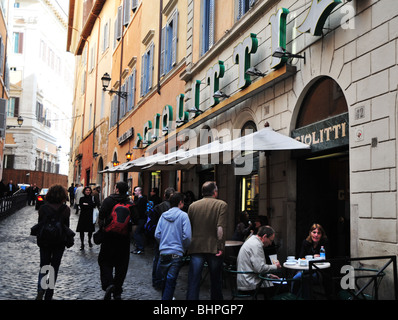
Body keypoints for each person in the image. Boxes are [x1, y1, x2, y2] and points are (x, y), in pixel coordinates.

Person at [186, 181, 227, 300]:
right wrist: (220, 246)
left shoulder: (193, 206)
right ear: (215, 192)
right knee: (215, 280)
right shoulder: (221, 205)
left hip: (196, 246)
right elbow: (220, 228)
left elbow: (189, 227)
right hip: (213, 247)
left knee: (193, 280)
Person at [97, 181, 137, 300]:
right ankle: (117, 291)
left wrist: (102, 229)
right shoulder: (130, 203)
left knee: (105, 262)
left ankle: (109, 284)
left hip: (109, 237)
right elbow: (135, 222)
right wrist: (130, 235)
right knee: (122, 265)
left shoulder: (109, 200)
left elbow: (101, 217)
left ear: (117, 189)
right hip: (123, 239)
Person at [35, 184, 70, 300]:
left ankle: (41, 289)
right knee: (54, 267)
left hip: (45, 240)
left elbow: (40, 224)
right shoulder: (65, 209)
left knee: (44, 265)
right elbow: (66, 227)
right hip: (59, 241)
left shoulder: (43, 208)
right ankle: (49, 294)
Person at [154, 192, 191, 300]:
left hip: (164, 252)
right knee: (171, 280)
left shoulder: (163, 215)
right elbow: (187, 237)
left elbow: (157, 234)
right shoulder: (184, 216)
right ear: (180, 203)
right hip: (176, 252)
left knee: (165, 279)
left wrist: (163, 244)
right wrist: (184, 248)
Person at [237, 225, 281, 298]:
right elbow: (259, 268)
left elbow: (256, 267)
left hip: (246, 279)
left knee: (273, 285)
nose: (270, 243)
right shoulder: (256, 245)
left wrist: (269, 275)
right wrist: (275, 266)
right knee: (279, 288)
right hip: (249, 283)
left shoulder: (253, 241)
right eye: (271, 240)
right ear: (264, 237)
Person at [292, 223, 330, 298]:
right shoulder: (306, 243)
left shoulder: (324, 243)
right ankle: (293, 297)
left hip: (319, 271)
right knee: (296, 278)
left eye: (318, 233)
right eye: (314, 232)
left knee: (305, 279)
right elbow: (301, 257)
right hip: (305, 270)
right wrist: (313, 257)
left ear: (321, 234)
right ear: (310, 233)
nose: (316, 235)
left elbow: (327, 258)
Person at [152, 187, 175, 290]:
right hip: (171, 237)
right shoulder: (176, 209)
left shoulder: (158, 207)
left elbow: (152, 222)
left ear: (164, 196)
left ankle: (156, 281)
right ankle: (165, 280)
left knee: (157, 258)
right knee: (171, 260)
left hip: (160, 236)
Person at [131, 186, 147, 255]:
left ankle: (140, 248)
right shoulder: (139, 199)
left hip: (141, 218)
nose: (135, 192)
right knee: (138, 233)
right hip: (141, 218)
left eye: (136, 191)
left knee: (137, 233)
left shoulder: (142, 199)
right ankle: (138, 248)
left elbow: (139, 209)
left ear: (139, 192)